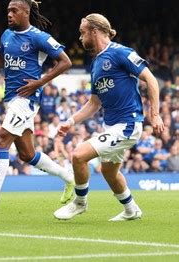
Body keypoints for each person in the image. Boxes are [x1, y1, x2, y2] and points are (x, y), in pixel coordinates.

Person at [0, 0, 75, 214]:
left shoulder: (39, 37)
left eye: (14, 10)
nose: (9, 14)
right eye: (8, 10)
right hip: (11, 99)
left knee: (1, 140)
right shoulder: (7, 35)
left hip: (26, 99)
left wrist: (40, 82)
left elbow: (66, 61)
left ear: (26, 12)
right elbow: (0, 61)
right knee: (27, 154)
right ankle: (68, 176)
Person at [54, 13, 164, 221]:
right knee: (109, 171)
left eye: (82, 32)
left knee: (78, 155)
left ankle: (79, 203)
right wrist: (70, 121)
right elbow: (94, 104)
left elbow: (150, 79)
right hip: (112, 126)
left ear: (94, 31)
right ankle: (132, 210)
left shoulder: (121, 52)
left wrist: (155, 114)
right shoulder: (96, 64)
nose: (80, 37)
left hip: (128, 124)